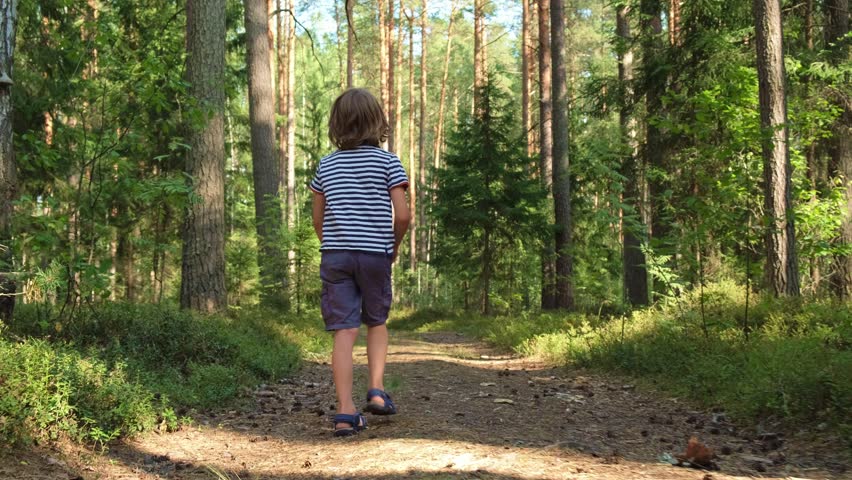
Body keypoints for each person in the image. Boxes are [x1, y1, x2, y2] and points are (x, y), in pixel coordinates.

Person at [309, 88, 411, 437]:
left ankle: (345, 412)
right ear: (376, 121)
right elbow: (403, 215)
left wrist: (335, 246)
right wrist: (392, 247)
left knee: (344, 329)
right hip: (374, 255)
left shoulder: (326, 165)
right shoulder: (388, 162)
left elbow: (318, 219)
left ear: (337, 123)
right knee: (376, 321)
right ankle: (377, 393)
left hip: (336, 255)